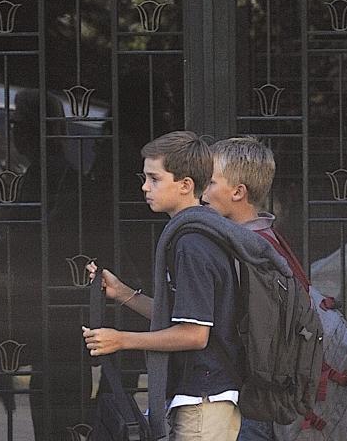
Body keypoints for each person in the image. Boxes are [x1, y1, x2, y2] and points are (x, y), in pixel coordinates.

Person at [82, 131, 286, 441]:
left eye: (154, 178)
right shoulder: (196, 234)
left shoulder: (193, 244)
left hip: (205, 399)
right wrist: (123, 294)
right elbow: (182, 316)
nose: (144, 187)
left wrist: (121, 340)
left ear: (185, 185)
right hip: (201, 395)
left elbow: (194, 334)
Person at [202, 136, 312, 440]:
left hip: (248, 400)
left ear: (238, 192)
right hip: (267, 397)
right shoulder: (270, 238)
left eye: (210, 182)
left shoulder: (247, 251)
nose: (202, 192)